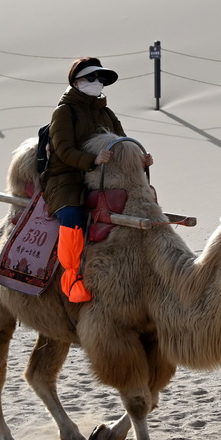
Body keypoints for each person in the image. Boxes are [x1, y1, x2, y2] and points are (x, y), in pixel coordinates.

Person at [41, 56, 152, 302]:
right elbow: (63, 150)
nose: (96, 82)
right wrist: (93, 159)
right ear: (76, 82)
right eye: (90, 77)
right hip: (67, 177)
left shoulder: (106, 113)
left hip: (104, 175)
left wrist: (140, 159)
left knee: (140, 203)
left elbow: (123, 142)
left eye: (99, 78)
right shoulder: (64, 112)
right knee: (71, 215)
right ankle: (72, 276)